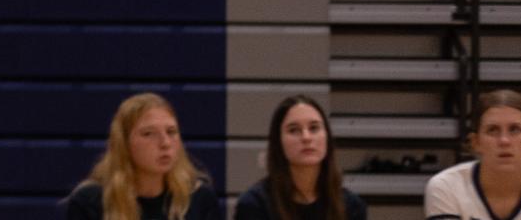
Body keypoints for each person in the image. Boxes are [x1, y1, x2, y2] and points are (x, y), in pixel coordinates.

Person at [61, 93, 220, 220]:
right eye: (148, 134)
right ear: (124, 143)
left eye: (171, 132)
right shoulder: (90, 202)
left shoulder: (198, 198)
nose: (165, 143)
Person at [235, 95, 366, 220]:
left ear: (327, 138)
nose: (306, 137)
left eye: (314, 128)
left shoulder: (351, 205)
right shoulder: (254, 205)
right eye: (294, 130)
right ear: (278, 142)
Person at [425, 89, 521, 220]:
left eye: (515, 129)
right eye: (492, 130)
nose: (504, 140)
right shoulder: (447, 186)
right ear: (476, 142)